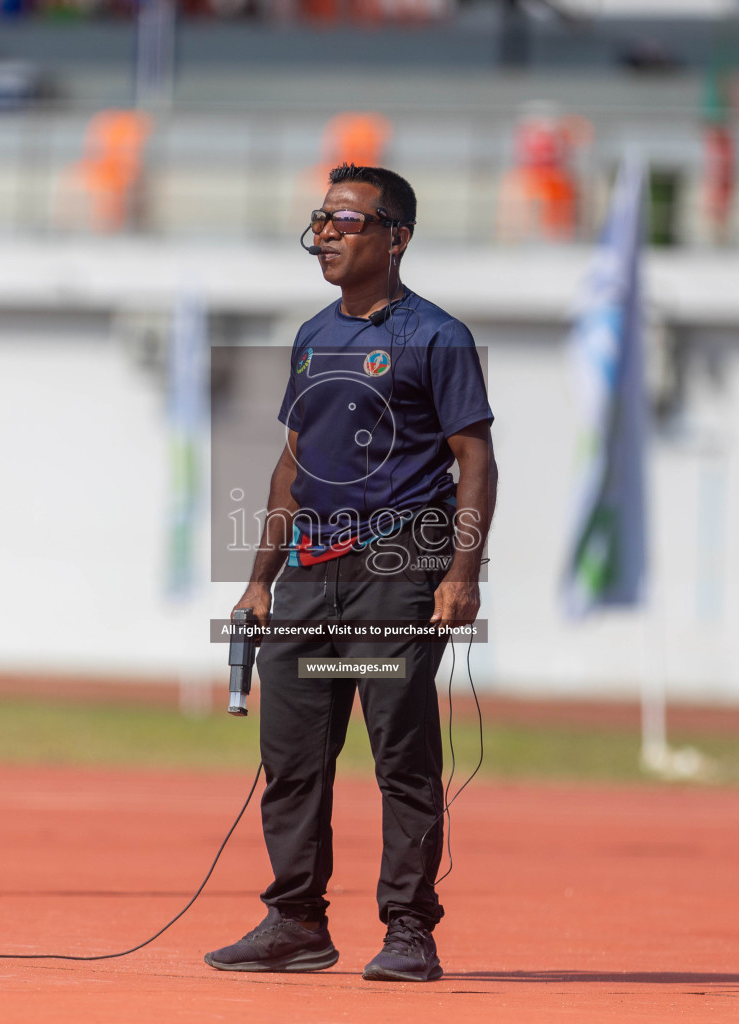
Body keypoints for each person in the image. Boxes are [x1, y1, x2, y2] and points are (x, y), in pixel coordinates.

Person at [204, 164, 497, 983]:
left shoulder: (437, 337)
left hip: (397, 572)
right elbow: (291, 466)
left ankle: (410, 930)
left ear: (395, 237)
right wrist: (259, 577)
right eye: (321, 219)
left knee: (399, 753)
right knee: (292, 752)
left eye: (347, 221)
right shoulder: (311, 337)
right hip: (308, 576)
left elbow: (475, 461)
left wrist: (461, 572)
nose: (327, 233)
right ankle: (295, 921)